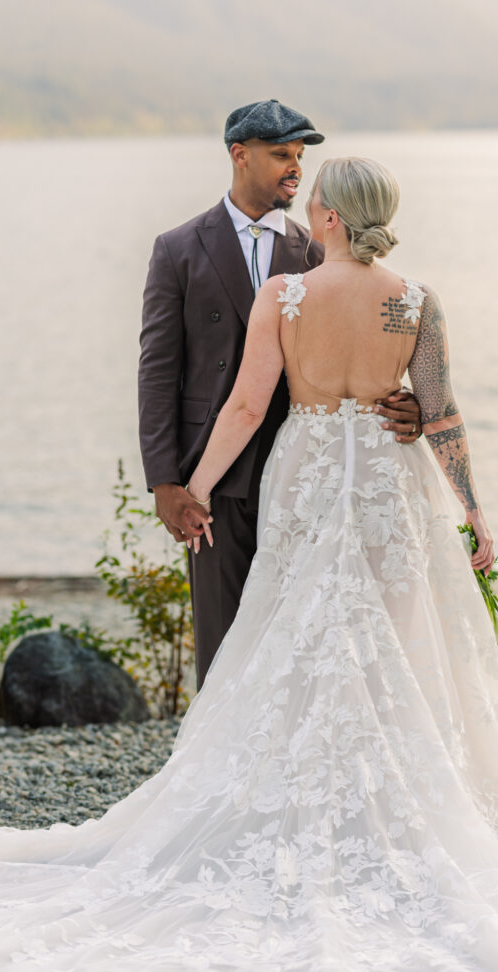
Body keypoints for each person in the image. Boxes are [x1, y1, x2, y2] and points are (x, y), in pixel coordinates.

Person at [0, 157, 498, 972]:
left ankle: (307, 792)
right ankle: (399, 799)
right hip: (388, 481)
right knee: (395, 639)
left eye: (318, 198)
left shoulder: (285, 296)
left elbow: (244, 408)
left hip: (305, 473)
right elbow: (440, 413)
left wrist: (192, 489)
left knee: (295, 624)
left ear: (328, 216)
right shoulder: (417, 300)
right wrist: (476, 513)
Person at [138, 99, 422, 687]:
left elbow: (360, 352)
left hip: (302, 475)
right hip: (214, 477)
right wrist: (165, 481)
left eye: (298, 156)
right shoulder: (178, 248)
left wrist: (407, 405)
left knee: (304, 637)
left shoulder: (318, 248)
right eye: (280, 155)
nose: (294, 168)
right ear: (239, 155)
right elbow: (158, 371)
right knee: (222, 641)